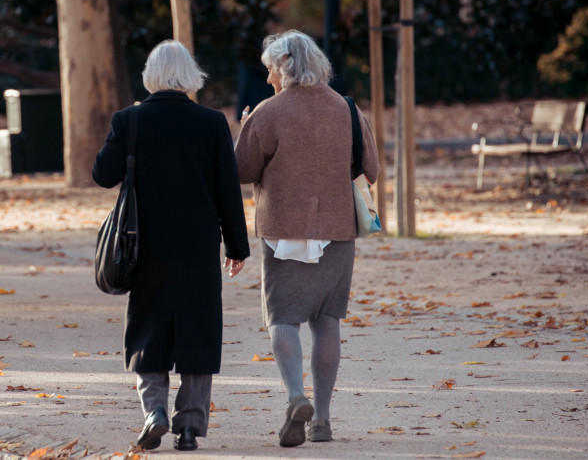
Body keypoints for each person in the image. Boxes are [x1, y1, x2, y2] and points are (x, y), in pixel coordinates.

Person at [92, 40, 250, 452]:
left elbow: (102, 175)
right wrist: (237, 246)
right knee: (198, 331)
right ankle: (190, 427)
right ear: (190, 75)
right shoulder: (211, 122)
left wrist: (121, 137)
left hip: (145, 244)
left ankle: (154, 412)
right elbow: (227, 191)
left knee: (148, 328)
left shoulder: (130, 120)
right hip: (198, 244)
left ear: (151, 75)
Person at [230, 29, 379, 447]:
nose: (267, 80)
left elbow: (241, 172)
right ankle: (324, 420)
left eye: (270, 71)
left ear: (283, 68)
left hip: (282, 229)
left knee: (283, 317)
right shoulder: (347, 110)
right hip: (337, 230)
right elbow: (372, 170)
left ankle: (296, 396)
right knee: (327, 320)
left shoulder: (267, 112)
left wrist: (246, 128)